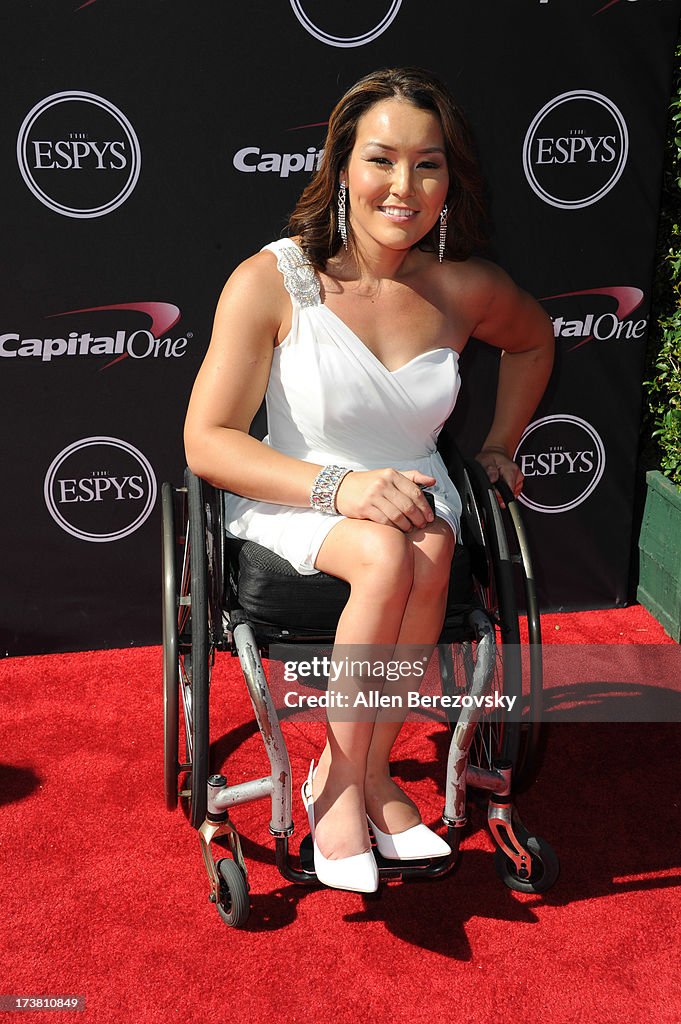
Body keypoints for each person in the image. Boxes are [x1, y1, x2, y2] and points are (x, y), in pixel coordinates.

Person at [184, 67, 554, 894]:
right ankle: (341, 781)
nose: (404, 185)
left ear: (447, 180)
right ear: (341, 167)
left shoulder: (463, 286)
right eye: (381, 159)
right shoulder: (271, 280)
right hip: (298, 494)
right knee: (390, 554)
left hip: (419, 490)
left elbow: (534, 340)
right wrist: (338, 491)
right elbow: (206, 441)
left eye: (427, 164)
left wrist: (500, 442)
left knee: (422, 538)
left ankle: (367, 776)